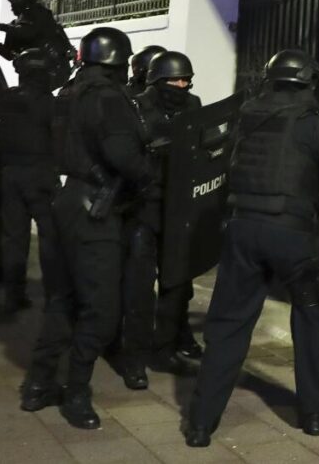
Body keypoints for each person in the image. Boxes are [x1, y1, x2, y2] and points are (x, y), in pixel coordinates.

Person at [185, 49, 319, 447]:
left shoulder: (247, 114)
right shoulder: (315, 124)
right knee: (310, 324)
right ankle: (318, 415)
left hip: (242, 230)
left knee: (228, 326)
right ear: (309, 82)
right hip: (294, 237)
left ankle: (201, 423)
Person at [21, 26, 152, 429]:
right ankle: (76, 391)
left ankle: (39, 384)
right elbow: (124, 155)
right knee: (101, 310)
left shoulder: (69, 93)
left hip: (64, 202)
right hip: (96, 209)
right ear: (118, 61)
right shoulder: (109, 98)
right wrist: (149, 171)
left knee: (62, 299)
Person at [116, 51, 202, 390]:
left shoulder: (192, 105)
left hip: (177, 207)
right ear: (156, 80)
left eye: (186, 80)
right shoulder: (136, 106)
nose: (181, 86)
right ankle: (134, 358)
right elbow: (124, 154)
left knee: (177, 286)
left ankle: (164, 349)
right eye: (175, 80)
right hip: (143, 206)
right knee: (138, 290)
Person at [0, 49, 58, 314]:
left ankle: (13, 296)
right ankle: (54, 298)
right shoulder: (49, 103)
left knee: (14, 239)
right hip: (40, 176)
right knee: (50, 239)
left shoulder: (7, 98)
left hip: (11, 175)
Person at [0, 0, 77, 87]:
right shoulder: (14, 26)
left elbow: (28, 32)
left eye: (13, 3)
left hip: (53, 70)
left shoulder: (42, 15)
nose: (11, 8)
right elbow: (9, 55)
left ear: (23, 1)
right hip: (29, 78)